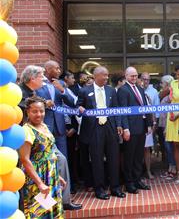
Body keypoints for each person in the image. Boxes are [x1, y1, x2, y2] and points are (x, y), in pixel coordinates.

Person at [77, 66, 125, 200]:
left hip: (110, 126)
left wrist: (119, 124)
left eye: (107, 75)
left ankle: (115, 188)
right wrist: (79, 108)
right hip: (94, 128)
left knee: (113, 158)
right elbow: (78, 106)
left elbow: (116, 109)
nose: (106, 78)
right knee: (97, 159)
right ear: (96, 76)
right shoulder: (85, 91)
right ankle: (100, 189)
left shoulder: (111, 90)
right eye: (104, 75)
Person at [19, 96, 65, 218]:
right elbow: (25, 159)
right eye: (35, 111)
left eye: (42, 111)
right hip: (36, 177)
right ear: (27, 112)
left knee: (52, 211)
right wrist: (39, 183)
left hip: (50, 176)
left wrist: (57, 175)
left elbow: (48, 152)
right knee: (39, 213)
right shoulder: (27, 130)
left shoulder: (44, 126)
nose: (39, 114)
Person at [117, 67, 153, 194]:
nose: (134, 78)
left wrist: (149, 124)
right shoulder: (122, 90)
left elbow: (145, 107)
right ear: (126, 76)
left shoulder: (140, 89)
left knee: (138, 156)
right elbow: (123, 111)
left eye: (136, 76)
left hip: (142, 127)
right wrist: (125, 128)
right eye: (131, 76)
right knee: (129, 157)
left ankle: (137, 180)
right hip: (131, 128)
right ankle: (129, 183)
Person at [36, 60, 75, 158]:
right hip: (43, 125)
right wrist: (44, 103)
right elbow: (32, 101)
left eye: (59, 69)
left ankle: (62, 174)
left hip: (60, 127)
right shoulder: (37, 81)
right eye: (56, 68)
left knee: (62, 157)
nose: (59, 71)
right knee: (45, 156)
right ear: (48, 70)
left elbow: (72, 102)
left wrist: (62, 90)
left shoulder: (61, 83)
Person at [141, 72, 160, 179]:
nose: (145, 81)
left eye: (148, 79)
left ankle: (148, 171)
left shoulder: (153, 92)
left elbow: (155, 109)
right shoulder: (137, 90)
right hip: (137, 124)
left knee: (147, 149)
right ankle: (138, 171)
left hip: (149, 124)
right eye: (143, 79)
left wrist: (154, 123)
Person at [158, 75, 176, 179]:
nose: (161, 85)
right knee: (167, 147)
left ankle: (173, 169)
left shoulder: (171, 95)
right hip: (163, 124)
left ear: (167, 84)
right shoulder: (163, 94)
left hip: (168, 126)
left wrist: (166, 128)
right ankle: (170, 167)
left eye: (162, 83)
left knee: (170, 148)